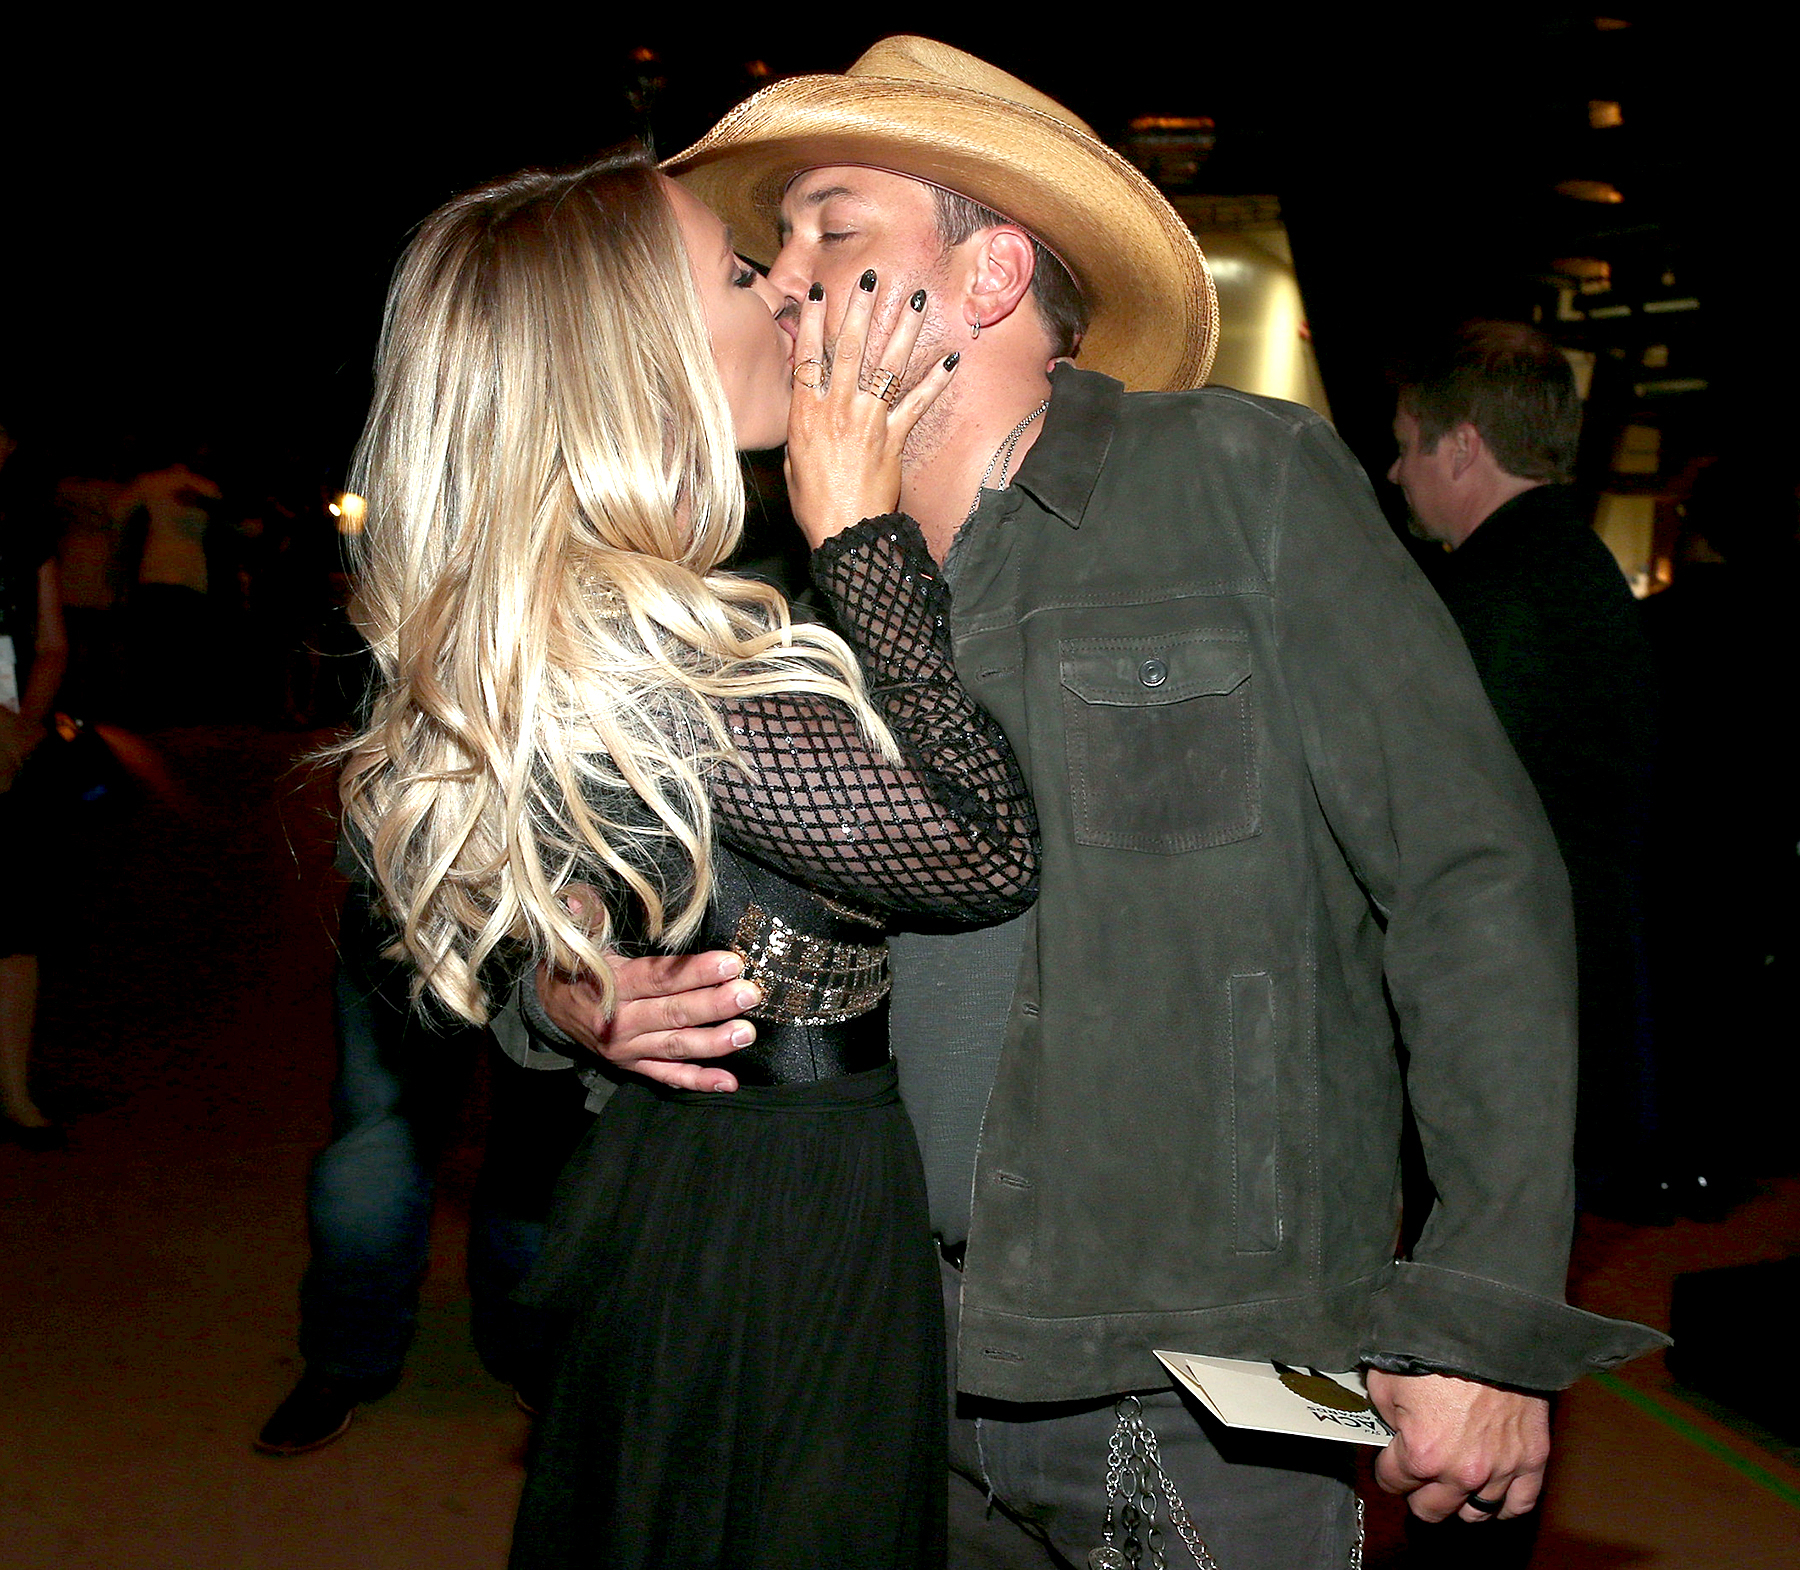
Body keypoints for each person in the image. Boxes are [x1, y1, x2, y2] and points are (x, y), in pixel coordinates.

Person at [530, 39, 1667, 1569]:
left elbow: (1475, 881)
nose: (783, 279)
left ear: (992, 270)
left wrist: (1481, 1314)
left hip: (1234, 1373)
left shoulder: (1242, 482)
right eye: (775, 244)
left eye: (834, 228)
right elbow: (567, 889)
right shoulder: (774, 596)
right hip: (871, 1348)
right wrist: (563, 995)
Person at [335, 150, 1038, 1569]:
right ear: (631, 356)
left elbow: (457, 902)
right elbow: (984, 845)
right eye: (736, 271)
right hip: (771, 1224)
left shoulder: (611, 594)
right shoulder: (673, 656)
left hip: (695, 1191)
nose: (787, 285)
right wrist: (871, 538)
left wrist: (557, 984)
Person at [1388, 321, 1664, 1224]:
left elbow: (1439, 826)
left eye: (1405, 448)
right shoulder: (1579, 571)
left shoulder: (1490, 598)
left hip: (1505, 1023)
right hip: (1577, 998)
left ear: (1462, 448)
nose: (1397, 475)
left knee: (1469, 1319)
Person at [1, 420, 72, 1151]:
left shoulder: (23, 535)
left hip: (9, 748)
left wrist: (22, 732)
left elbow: (51, 647)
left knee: (14, 929)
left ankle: (14, 1091)